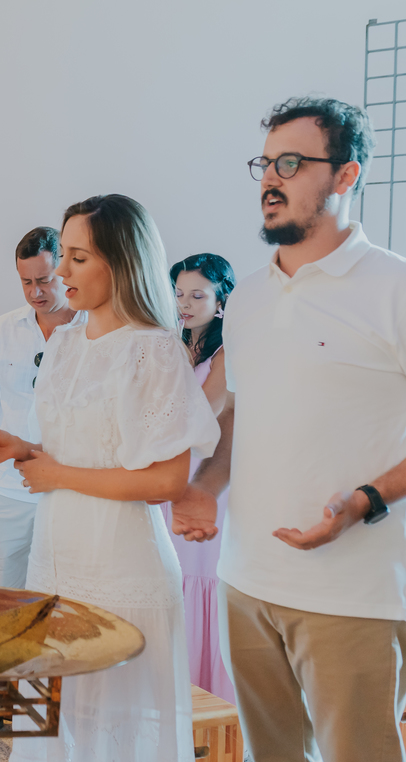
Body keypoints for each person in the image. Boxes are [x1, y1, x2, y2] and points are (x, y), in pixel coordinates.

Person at [171, 96, 406, 762]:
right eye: (265, 162)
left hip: (353, 593)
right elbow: (240, 414)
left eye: (291, 163)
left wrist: (365, 500)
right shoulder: (249, 299)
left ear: (346, 175)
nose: (271, 177)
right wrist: (207, 484)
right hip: (247, 582)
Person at [0, 194, 219, 762]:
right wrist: (24, 448)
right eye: (64, 255)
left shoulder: (154, 347)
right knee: (60, 731)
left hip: (121, 566)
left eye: (77, 258)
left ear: (121, 262)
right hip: (56, 560)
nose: (61, 271)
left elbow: (165, 481)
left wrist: (56, 473)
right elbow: (79, 449)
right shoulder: (64, 342)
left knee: (118, 743)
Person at [0, 226, 75, 589]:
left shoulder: (93, 330)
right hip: (4, 496)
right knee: (4, 604)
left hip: (70, 493)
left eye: (44, 280)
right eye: (26, 282)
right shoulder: (2, 331)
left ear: (65, 269)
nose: (35, 292)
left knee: (65, 603)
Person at [161, 253, 236, 703]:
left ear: (220, 301)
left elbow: (201, 413)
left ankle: (210, 693)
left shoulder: (227, 353)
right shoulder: (171, 344)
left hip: (206, 473)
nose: (184, 304)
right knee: (172, 571)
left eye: (197, 295)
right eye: (178, 294)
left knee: (201, 573)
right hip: (169, 468)